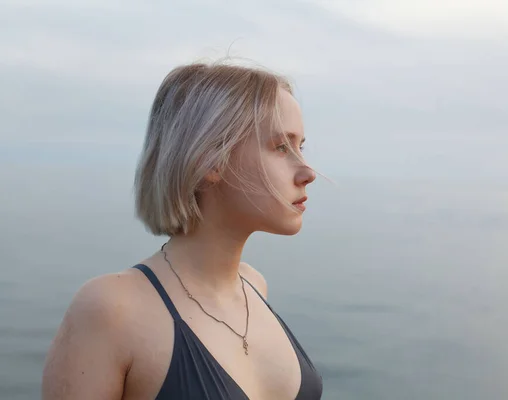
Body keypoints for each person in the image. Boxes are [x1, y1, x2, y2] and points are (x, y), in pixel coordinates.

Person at [41, 61, 323, 399]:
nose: (307, 171)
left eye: (300, 146)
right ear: (209, 160)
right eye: (281, 147)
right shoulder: (111, 310)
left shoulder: (255, 287)